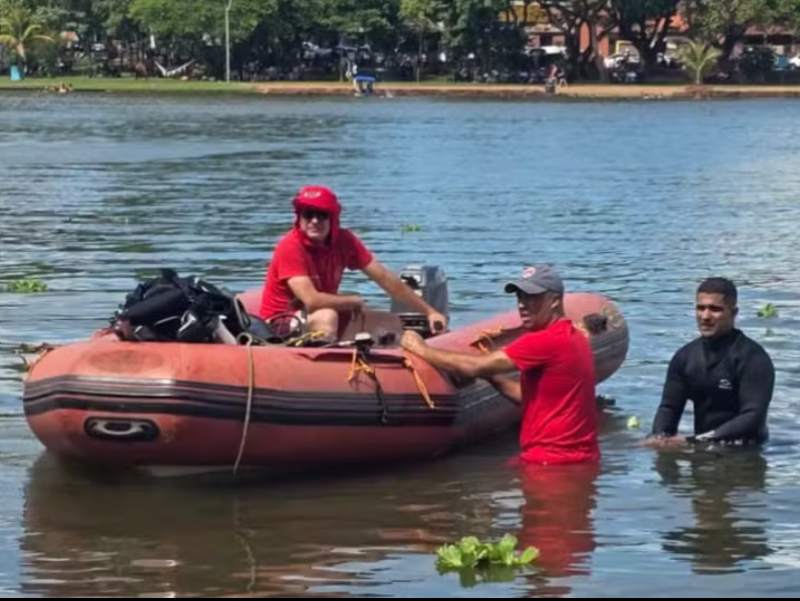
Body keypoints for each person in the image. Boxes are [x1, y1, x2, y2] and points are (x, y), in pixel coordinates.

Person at [401, 264, 599, 465]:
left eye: (532, 297)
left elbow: (474, 367)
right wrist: (491, 376)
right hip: (578, 457)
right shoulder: (575, 338)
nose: (522, 304)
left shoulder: (545, 341)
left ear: (554, 301)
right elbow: (528, 397)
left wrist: (421, 349)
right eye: (520, 297)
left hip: (552, 462)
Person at [259, 185, 447, 341]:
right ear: (299, 218)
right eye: (308, 214)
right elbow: (312, 301)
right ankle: (322, 369)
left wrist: (429, 311)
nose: (314, 221)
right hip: (281, 323)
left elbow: (384, 278)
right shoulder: (290, 246)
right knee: (327, 316)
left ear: (333, 218)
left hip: (318, 315)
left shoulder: (345, 241)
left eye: (322, 215)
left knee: (391, 323)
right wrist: (353, 301)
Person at [646, 277, 774, 448]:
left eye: (715, 309)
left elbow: (753, 416)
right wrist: (659, 438)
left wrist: (696, 440)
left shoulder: (753, 357)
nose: (705, 316)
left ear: (734, 313)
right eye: (701, 308)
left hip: (745, 452)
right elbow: (669, 408)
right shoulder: (685, 357)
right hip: (703, 448)